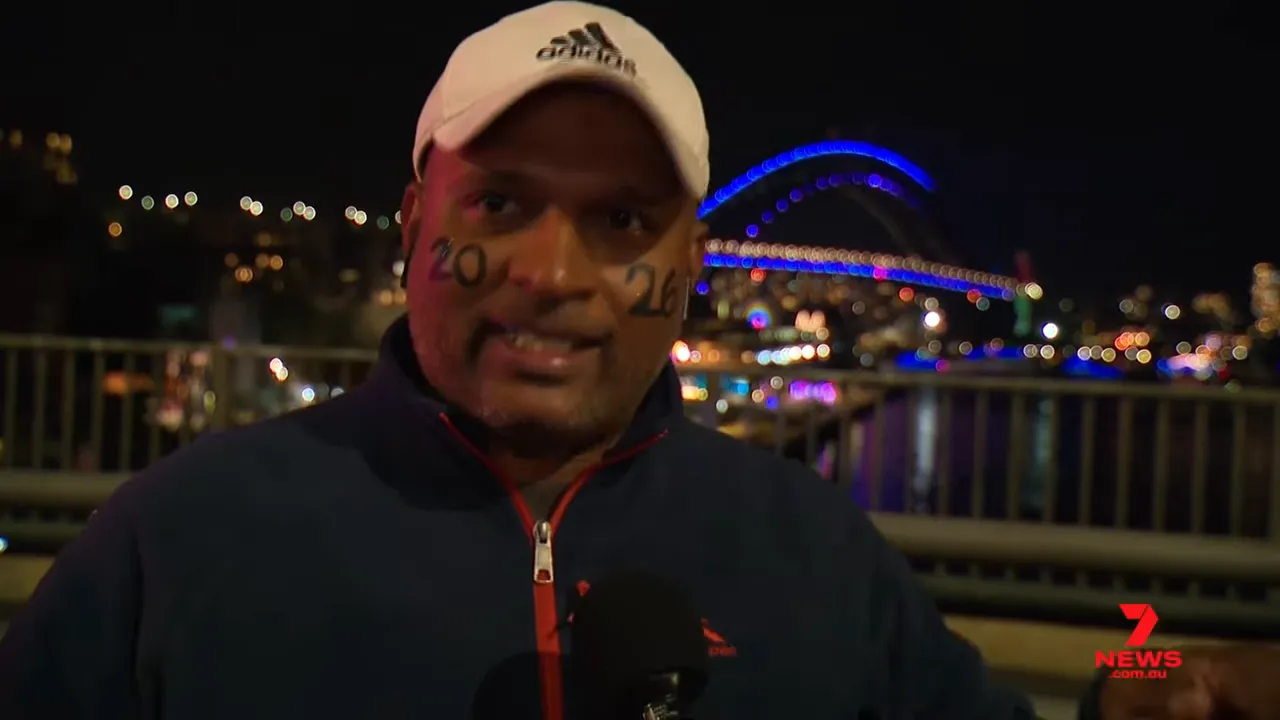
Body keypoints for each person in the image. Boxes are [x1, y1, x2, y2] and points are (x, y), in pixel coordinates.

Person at [1, 2, 1275, 718]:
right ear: (411, 228)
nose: (552, 274)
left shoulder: (815, 553)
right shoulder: (176, 545)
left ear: (690, 263)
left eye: (620, 220)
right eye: (501, 203)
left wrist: (1143, 687)